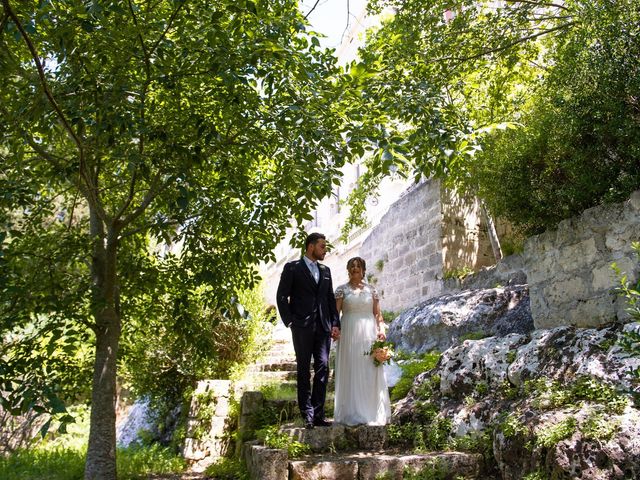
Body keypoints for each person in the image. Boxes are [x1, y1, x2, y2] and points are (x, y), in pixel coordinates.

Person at [276, 232, 341, 429]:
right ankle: (308, 415)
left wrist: (335, 323)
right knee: (304, 368)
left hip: (323, 326)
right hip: (301, 326)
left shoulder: (326, 270)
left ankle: (319, 413)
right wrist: (290, 322)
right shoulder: (292, 268)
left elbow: (329, 299)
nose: (325, 250)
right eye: (322, 246)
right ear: (311, 246)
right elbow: (281, 296)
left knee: (323, 367)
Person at [333, 256, 391, 426]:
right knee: (351, 368)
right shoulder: (341, 290)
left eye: (358, 266)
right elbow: (335, 315)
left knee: (368, 370)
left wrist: (381, 330)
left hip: (368, 333)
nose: (355, 268)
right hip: (349, 334)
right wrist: (335, 329)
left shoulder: (371, 290)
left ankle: (370, 410)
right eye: (352, 266)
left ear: (364, 270)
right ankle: (351, 411)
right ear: (348, 270)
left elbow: (378, 315)